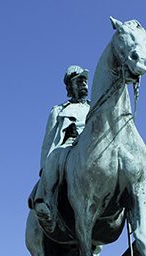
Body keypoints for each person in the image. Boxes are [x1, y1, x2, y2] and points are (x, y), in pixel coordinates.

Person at [31, 65, 90, 232]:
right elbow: (48, 142)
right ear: (69, 87)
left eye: (84, 80)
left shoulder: (95, 106)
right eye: (78, 81)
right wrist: (45, 167)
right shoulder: (59, 110)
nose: (83, 84)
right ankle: (47, 205)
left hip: (93, 145)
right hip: (68, 146)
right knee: (54, 157)